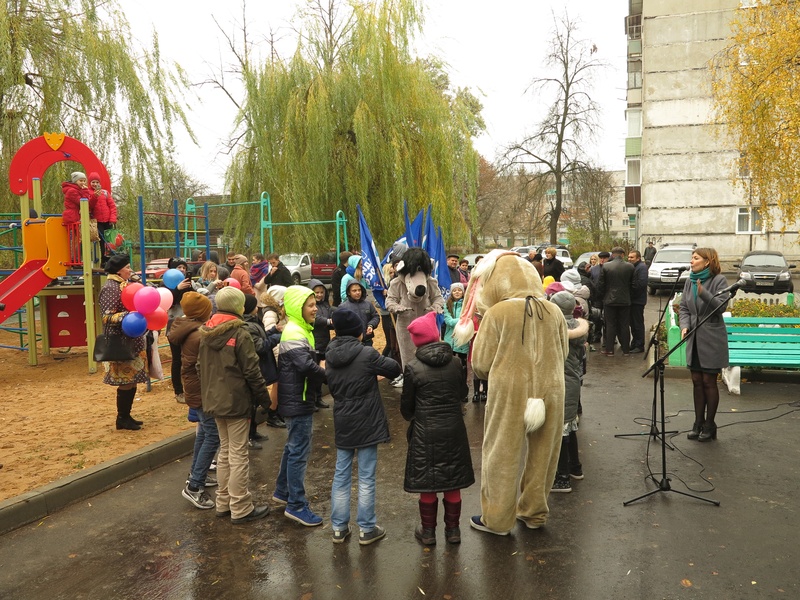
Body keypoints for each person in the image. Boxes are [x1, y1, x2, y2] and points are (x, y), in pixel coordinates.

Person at [453, 250, 568, 535]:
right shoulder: (553, 309)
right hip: (552, 387)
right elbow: (564, 351)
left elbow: (479, 364)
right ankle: (534, 512)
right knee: (545, 453)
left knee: (502, 452)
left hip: (510, 388)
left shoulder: (497, 312)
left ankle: (497, 519)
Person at [325, 309, 401, 545]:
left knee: (341, 474)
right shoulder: (367, 354)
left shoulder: (330, 353)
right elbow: (394, 368)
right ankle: (366, 529)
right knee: (366, 476)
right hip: (367, 420)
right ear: (358, 331)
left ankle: (338, 527)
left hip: (343, 419)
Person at [197, 286, 272, 524]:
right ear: (238, 306)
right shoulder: (240, 333)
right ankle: (240, 506)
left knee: (226, 451)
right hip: (236, 400)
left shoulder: (206, 332)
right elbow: (252, 370)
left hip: (214, 400)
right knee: (238, 453)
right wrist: (265, 399)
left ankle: (223, 502)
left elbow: (200, 367)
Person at [402, 311, 473, 545]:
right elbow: (463, 393)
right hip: (454, 428)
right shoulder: (454, 362)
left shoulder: (412, 367)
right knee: (452, 479)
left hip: (425, 431)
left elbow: (406, 408)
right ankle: (453, 531)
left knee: (428, 481)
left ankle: (428, 532)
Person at [273, 285, 327, 527]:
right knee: (298, 452)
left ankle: (283, 492)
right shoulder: (295, 332)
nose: (315, 309)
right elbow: (307, 367)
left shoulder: (300, 328)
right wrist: (332, 376)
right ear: (298, 307)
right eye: (311, 305)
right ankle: (296, 504)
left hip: (298, 397)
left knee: (292, 448)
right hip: (298, 399)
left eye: (315, 304)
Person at [168, 292, 219, 509]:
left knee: (205, 433)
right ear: (203, 312)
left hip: (195, 390)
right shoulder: (199, 335)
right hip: (202, 391)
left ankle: (198, 473)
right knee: (213, 435)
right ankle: (195, 485)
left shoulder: (187, 328)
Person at [679, 248, 729, 442]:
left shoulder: (719, 281)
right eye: (691, 258)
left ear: (707, 261)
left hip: (711, 339)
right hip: (694, 339)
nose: (692, 261)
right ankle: (697, 423)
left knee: (709, 382)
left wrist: (703, 293)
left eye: (696, 258)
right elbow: (684, 307)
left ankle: (710, 425)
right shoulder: (688, 281)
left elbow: (721, 307)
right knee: (697, 381)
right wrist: (684, 325)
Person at [98, 254, 147, 430]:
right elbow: (106, 317)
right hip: (120, 342)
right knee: (125, 381)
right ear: (118, 270)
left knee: (131, 380)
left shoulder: (124, 285)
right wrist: (131, 315)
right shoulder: (111, 288)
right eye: (127, 267)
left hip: (131, 339)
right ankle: (122, 418)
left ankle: (127, 416)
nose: (130, 270)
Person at [548, 292, 589, 493]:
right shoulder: (578, 329)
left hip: (560, 383)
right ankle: (575, 467)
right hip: (572, 381)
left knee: (561, 431)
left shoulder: (553, 329)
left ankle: (562, 477)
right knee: (570, 426)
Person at [166, 258, 197, 403]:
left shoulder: (189, 283)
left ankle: (190, 387)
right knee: (177, 359)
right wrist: (177, 289)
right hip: (174, 325)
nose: (182, 270)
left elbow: (194, 300)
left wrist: (189, 287)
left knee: (190, 358)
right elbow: (169, 302)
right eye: (179, 267)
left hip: (190, 324)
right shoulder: (165, 284)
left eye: (184, 268)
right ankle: (178, 391)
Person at [597, 247, 635, 356]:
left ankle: (609, 350)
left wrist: (603, 297)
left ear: (612, 255)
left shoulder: (606, 266)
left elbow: (601, 285)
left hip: (609, 300)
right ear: (623, 255)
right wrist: (629, 295)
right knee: (624, 324)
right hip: (625, 299)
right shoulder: (630, 267)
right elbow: (634, 284)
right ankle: (626, 350)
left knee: (610, 324)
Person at [308, 278, 334, 409]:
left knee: (321, 372)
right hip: (314, 343)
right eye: (316, 292)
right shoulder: (311, 306)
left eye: (321, 292)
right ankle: (312, 399)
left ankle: (318, 397)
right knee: (314, 373)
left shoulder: (325, 305)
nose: (319, 295)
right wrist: (329, 322)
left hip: (324, 343)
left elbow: (330, 318)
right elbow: (316, 320)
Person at [443, 282, 469, 399]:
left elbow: (469, 318)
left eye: (459, 290)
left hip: (462, 339)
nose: (457, 292)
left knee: (463, 366)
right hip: (450, 339)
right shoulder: (447, 305)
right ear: (451, 292)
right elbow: (448, 321)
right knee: (450, 366)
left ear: (463, 292)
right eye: (455, 290)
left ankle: (463, 390)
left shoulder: (466, 305)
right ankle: (451, 390)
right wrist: (461, 320)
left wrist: (463, 320)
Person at [87, 172, 117, 268]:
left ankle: (110, 258)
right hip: (97, 221)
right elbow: (90, 206)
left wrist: (112, 218)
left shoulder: (105, 192)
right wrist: (94, 196)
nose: (95, 184)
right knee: (101, 240)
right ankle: (103, 259)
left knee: (110, 240)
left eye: (96, 182)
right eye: (93, 182)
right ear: (89, 183)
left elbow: (112, 206)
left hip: (107, 220)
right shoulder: (88, 193)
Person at [338, 279, 379, 347]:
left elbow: (375, 316)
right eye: (354, 291)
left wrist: (371, 325)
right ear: (348, 292)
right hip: (351, 343)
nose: (358, 292)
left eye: (359, 290)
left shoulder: (368, 304)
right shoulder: (343, 307)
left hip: (367, 340)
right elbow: (339, 325)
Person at [628, 250, 649, 353]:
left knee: (637, 323)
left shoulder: (642, 267)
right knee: (633, 323)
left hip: (637, 301)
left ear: (638, 258)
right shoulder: (634, 267)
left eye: (632, 257)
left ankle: (639, 345)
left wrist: (631, 293)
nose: (629, 259)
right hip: (633, 300)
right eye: (629, 257)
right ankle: (634, 343)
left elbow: (641, 284)